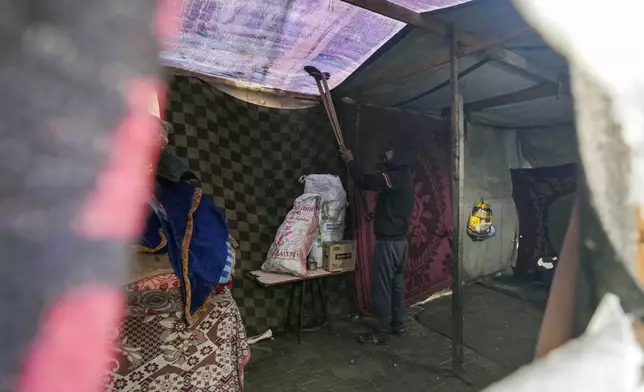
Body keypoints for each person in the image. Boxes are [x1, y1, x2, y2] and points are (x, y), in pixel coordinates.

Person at [342, 146, 414, 345]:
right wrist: (377, 216)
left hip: (389, 245)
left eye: (390, 153)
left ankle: (382, 331)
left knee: (381, 288)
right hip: (401, 243)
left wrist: (349, 161)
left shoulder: (393, 177)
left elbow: (364, 181)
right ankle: (398, 324)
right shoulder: (404, 178)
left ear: (398, 158)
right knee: (396, 286)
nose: (385, 155)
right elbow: (393, 208)